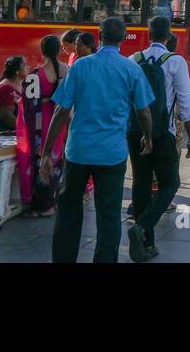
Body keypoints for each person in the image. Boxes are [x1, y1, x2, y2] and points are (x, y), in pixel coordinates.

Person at [40, 17, 154, 263]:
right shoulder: (131, 69)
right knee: (109, 216)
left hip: (78, 151)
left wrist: (47, 152)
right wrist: (148, 137)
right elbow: (144, 111)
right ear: (123, 38)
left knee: (68, 211)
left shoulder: (80, 66)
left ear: (99, 36)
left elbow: (61, 111)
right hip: (112, 154)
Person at [127, 16, 190, 262]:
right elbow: (186, 103)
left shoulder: (133, 60)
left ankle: (146, 243)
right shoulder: (175, 61)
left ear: (148, 35)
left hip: (135, 132)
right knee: (170, 183)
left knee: (141, 183)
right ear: (168, 36)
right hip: (162, 133)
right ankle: (142, 226)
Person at [17, 35, 68, 217]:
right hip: (60, 123)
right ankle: (51, 202)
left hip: (41, 123)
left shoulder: (35, 75)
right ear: (59, 50)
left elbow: (28, 104)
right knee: (56, 159)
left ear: (42, 52)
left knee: (39, 158)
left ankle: (41, 203)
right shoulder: (68, 70)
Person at [0, 56, 26, 132]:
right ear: (17, 71)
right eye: (24, 65)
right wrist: (25, 129)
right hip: (4, 132)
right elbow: (7, 116)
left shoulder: (20, 85)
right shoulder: (5, 88)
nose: (28, 67)